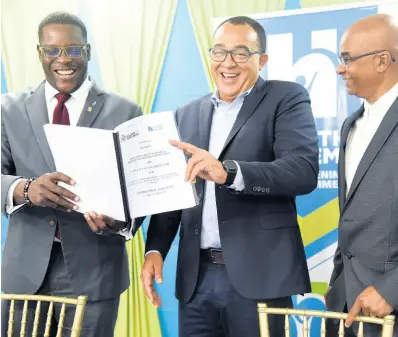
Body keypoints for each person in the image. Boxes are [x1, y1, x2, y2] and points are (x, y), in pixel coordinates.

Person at [141, 16, 319, 337]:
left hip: (259, 276)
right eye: (219, 52)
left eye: (241, 53)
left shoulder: (286, 98)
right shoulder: (187, 114)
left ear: (261, 60)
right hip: (196, 277)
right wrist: (155, 249)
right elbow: (175, 189)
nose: (228, 63)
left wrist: (228, 173)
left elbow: (302, 172)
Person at [1, 11, 143, 337]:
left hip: (95, 270)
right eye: (52, 50)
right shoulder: (8, 109)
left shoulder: (125, 111)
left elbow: (137, 191)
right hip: (25, 272)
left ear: (88, 52)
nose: (63, 59)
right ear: (40, 53)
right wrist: (25, 189)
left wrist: (120, 221)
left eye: (73, 50)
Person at [325, 14, 398, 337]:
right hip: (345, 307)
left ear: (383, 61)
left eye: (347, 59)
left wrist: (392, 290)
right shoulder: (349, 126)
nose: (340, 69)